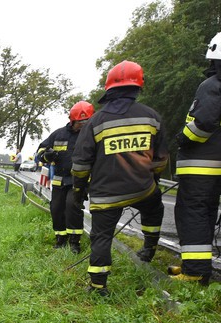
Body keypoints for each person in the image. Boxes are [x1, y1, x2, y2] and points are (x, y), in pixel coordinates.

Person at [71, 60, 168, 296]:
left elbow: (81, 164)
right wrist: (153, 179)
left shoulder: (95, 122)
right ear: (137, 87)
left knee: (101, 236)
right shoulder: (152, 117)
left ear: (109, 89)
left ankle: (97, 285)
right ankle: (149, 248)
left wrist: (79, 190)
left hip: (106, 194)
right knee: (155, 208)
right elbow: (161, 158)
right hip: (142, 188)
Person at [170, 27, 221, 285]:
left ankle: (194, 272)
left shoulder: (212, 85)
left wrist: (183, 138)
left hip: (199, 164)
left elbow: (202, 125)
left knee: (191, 213)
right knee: (204, 213)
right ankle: (197, 266)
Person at [35, 101, 94, 253]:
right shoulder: (58, 134)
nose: (83, 124)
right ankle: (61, 238)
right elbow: (40, 151)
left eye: (86, 121)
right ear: (73, 120)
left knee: (72, 206)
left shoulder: (90, 135)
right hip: (59, 179)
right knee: (56, 208)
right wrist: (46, 156)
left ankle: (75, 242)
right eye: (81, 121)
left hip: (79, 180)